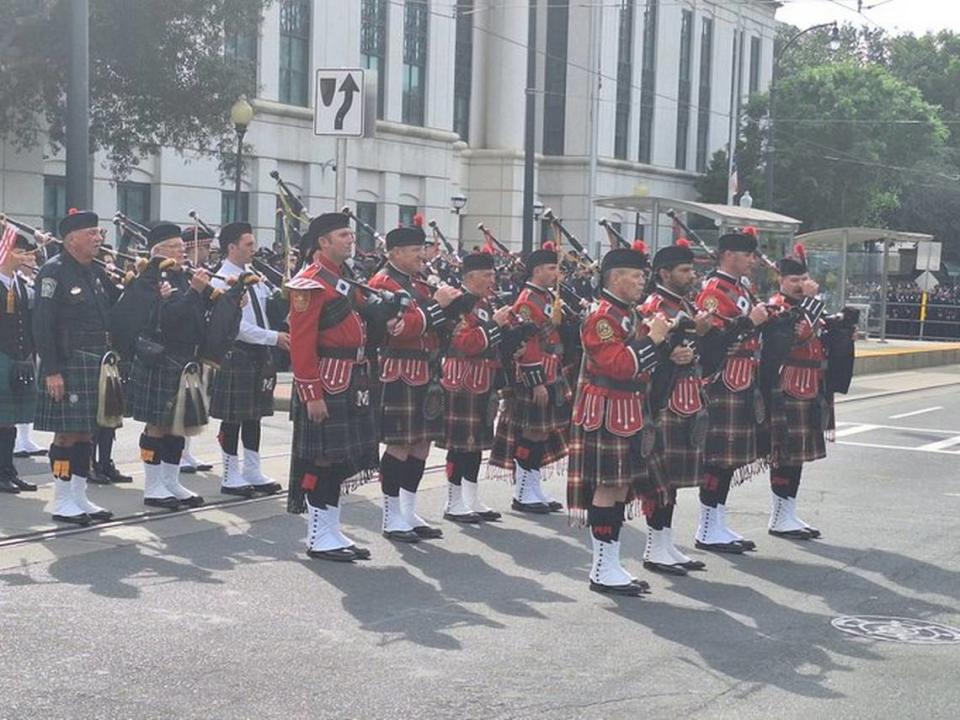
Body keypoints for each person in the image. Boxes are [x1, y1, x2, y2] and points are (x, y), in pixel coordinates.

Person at [567, 246, 669, 596]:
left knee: (622, 488)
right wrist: (653, 340)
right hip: (609, 409)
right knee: (608, 487)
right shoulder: (602, 316)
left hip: (628, 407)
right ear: (615, 278)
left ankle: (610, 564)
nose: (643, 281)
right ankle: (602, 567)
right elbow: (619, 365)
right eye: (636, 275)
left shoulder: (628, 313)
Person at [286, 212, 379, 561]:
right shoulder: (309, 282)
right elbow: (301, 343)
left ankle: (332, 530)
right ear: (323, 242)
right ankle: (318, 536)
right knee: (322, 460)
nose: (350, 240)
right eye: (343, 235)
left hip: (352, 375)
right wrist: (312, 392)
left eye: (350, 234)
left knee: (340, 461)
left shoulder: (341, 278)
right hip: (328, 378)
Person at [368, 224, 462, 542]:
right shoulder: (383, 283)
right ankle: (391, 513)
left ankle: (408, 510)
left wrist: (454, 311)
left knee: (422, 443)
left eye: (421, 249)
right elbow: (398, 328)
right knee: (400, 443)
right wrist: (438, 306)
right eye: (413, 251)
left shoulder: (416, 282)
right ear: (394, 253)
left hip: (428, 367)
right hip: (401, 368)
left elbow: (430, 321)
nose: (421, 255)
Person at [34, 210, 120, 525]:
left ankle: (80, 496)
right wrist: (51, 370)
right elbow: (42, 325)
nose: (99, 238)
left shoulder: (92, 272)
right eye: (92, 233)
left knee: (86, 434)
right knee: (66, 436)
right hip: (68, 363)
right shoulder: (53, 272)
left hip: (95, 362)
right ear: (72, 239)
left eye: (99, 233)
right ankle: (62, 499)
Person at [763, 245, 847, 540]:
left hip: (811, 383)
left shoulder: (805, 307)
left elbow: (817, 334)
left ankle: (788, 512)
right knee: (785, 453)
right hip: (788, 385)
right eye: (794, 280)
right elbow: (799, 333)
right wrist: (812, 301)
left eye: (804, 278)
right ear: (781, 281)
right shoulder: (778, 307)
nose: (800, 284)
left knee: (797, 456)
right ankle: (779, 515)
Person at [639, 240, 712, 575]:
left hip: (686, 398)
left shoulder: (684, 304)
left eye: (691, 269)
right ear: (664, 273)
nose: (691, 275)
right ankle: (655, 548)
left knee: (672, 482)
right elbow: (645, 352)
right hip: (664, 401)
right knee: (660, 481)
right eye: (684, 270)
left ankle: (667, 544)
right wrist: (670, 353)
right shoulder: (654, 306)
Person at [694, 231, 770, 553]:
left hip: (741, 378)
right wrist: (751, 322)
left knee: (729, 460)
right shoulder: (713, 292)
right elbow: (715, 340)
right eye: (746, 253)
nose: (752, 260)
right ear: (727, 254)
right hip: (723, 380)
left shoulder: (740, 288)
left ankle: (717, 520)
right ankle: (707, 526)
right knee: (717, 457)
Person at [129, 222, 212, 511]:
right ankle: (153, 486)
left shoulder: (181, 276)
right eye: (176, 247)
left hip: (185, 357)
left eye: (182, 246)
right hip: (163, 357)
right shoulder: (156, 277)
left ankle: (171, 481)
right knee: (157, 425)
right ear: (159, 251)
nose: (183, 251)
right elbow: (168, 318)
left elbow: (195, 318)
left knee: (177, 426)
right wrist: (194, 292)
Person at [209, 222, 288, 497]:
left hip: (259, 353)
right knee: (233, 418)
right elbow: (238, 327)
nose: (253, 250)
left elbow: (266, 311)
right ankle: (230, 474)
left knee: (254, 416)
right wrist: (273, 338)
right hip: (238, 353)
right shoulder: (220, 280)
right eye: (248, 245)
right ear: (231, 247)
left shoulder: (255, 275)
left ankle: (252, 469)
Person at [489, 244, 570, 513]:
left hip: (551, 367)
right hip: (535, 373)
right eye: (551, 268)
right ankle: (523, 492)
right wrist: (536, 380)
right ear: (537, 271)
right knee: (531, 432)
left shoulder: (546, 297)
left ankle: (533, 487)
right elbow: (526, 342)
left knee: (540, 432)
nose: (556, 272)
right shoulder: (527, 300)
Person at [437, 252, 513, 523]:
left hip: (484, 380)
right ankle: (453, 501)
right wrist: (496, 325)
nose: (492, 279)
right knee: (460, 445)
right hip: (463, 381)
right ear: (470, 277)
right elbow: (465, 343)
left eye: (493, 274)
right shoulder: (459, 304)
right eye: (487, 275)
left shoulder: (484, 302)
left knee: (476, 444)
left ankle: (471, 497)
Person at [0, 227, 40, 494]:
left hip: (18, 357)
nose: (25, 256)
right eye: (19, 250)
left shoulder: (19, 284)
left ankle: (8, 470)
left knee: (10, 418)